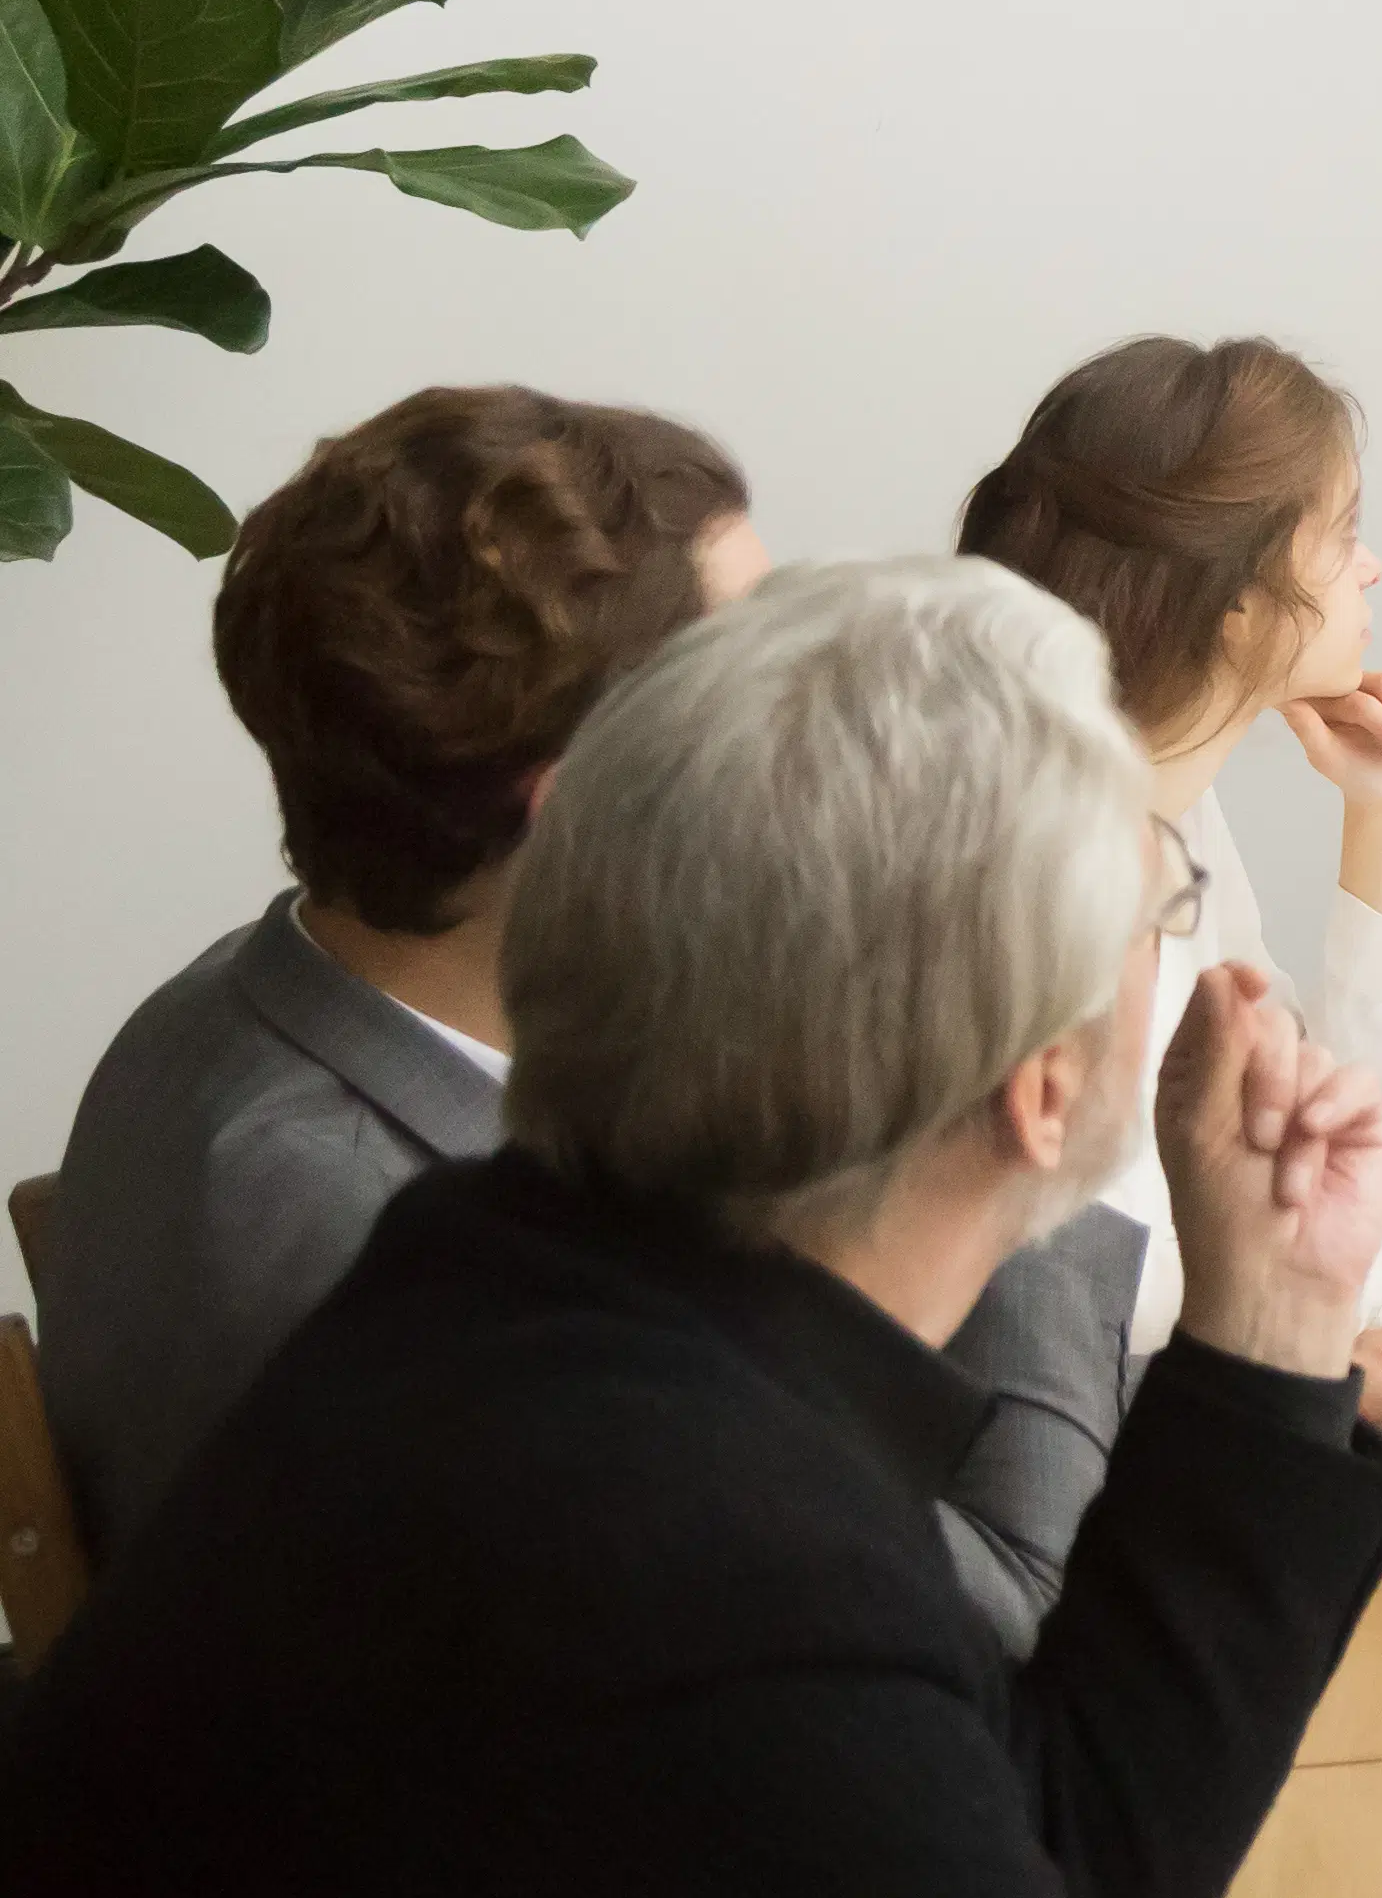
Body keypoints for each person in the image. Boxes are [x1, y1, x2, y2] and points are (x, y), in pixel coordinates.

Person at [0, 558, 1382, 1898]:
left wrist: (1269, 1322)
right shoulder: (673, 1542)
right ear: (1044, 1086)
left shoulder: (541, 1292)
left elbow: (1063, 1864)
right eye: (1169, 898)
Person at [30, 388, 1159, 1647]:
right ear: (588, 807)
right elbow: (1003, 1620)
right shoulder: (406, 1269)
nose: (823, 719)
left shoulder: (233, 1013)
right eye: (759, 684)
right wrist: (1025, 1000)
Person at [960, 335, 1382, 1371]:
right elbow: (1122, 1300)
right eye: (1342, 534)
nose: (1371, 564)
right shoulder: (1032, 883)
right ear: (1236, 604)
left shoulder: (1172, 810)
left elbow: (1315, 1160)